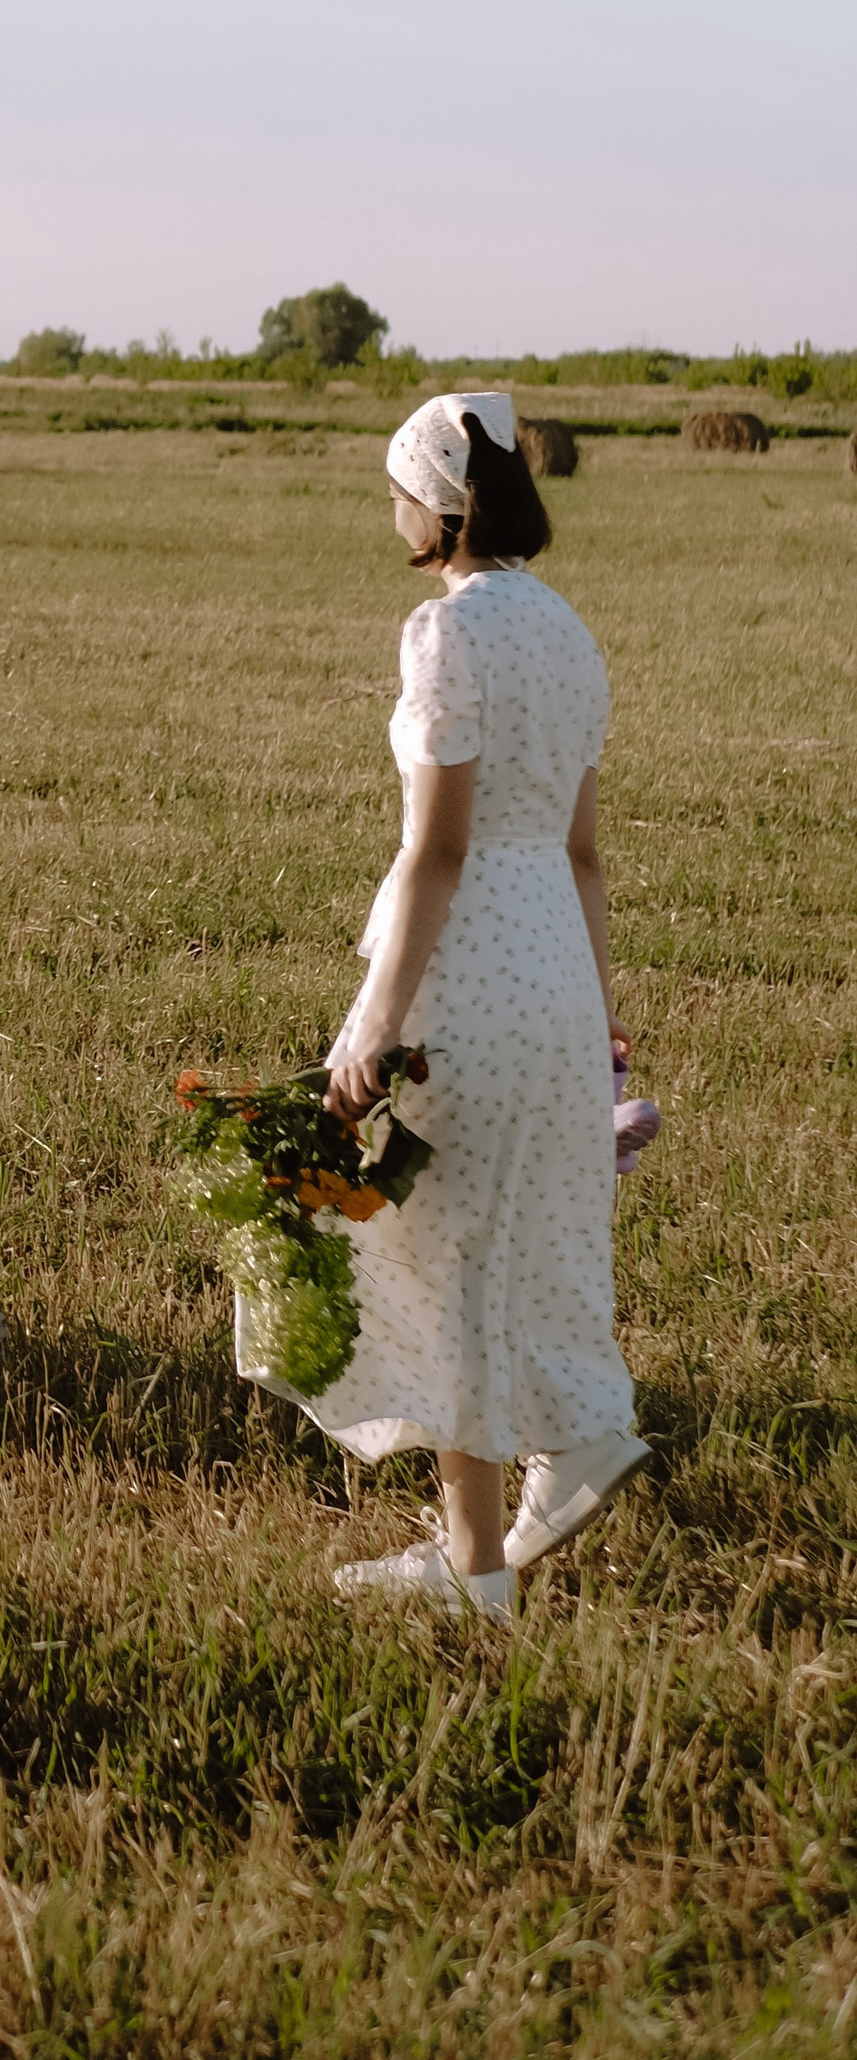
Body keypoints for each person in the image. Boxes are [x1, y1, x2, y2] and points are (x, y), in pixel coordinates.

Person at [279, 393, 647, 1625]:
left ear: (438, 506)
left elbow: (436, 850)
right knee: (508, 1246)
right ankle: (480, 1553)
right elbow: (584, 851)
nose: (389, 512)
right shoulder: (568, 629)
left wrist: (373, 1024)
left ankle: (511, 1528)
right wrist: (598, 1015)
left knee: (442, 1259)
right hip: (552, 964)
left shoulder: (445, 630)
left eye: (397, 491)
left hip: (469, 960)